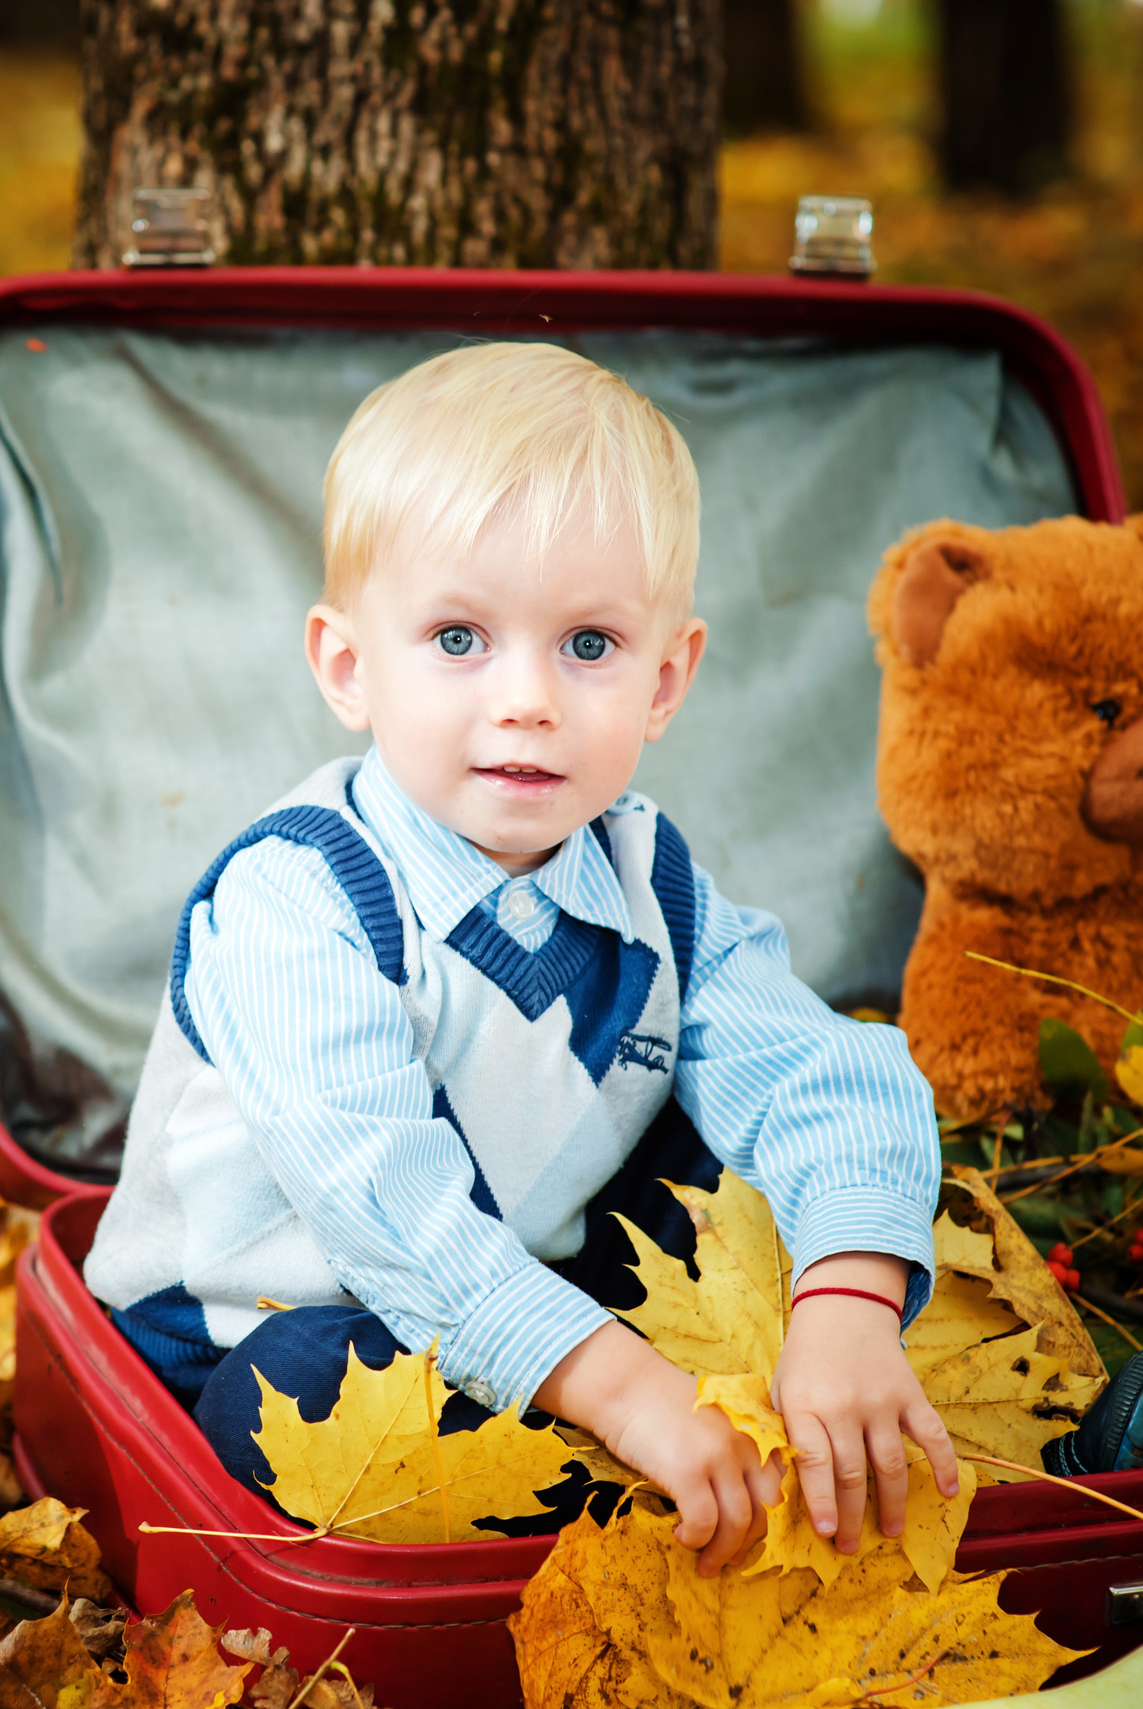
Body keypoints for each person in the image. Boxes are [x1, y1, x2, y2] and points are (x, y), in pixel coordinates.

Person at [84, 341, 959, 1574]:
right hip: (274, 1320)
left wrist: (849, 1301)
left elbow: (825, 1070)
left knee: (799, 1170)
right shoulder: (295, 895)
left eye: (588, 646)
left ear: (666, 679)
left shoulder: (649, 879)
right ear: (348, 666)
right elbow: (393, 1215)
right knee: (301, 1395)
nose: (527, 698)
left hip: (555, 1287)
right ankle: (653, 1484)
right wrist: (626, 1386)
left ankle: (968, 1425)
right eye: (457, 637)